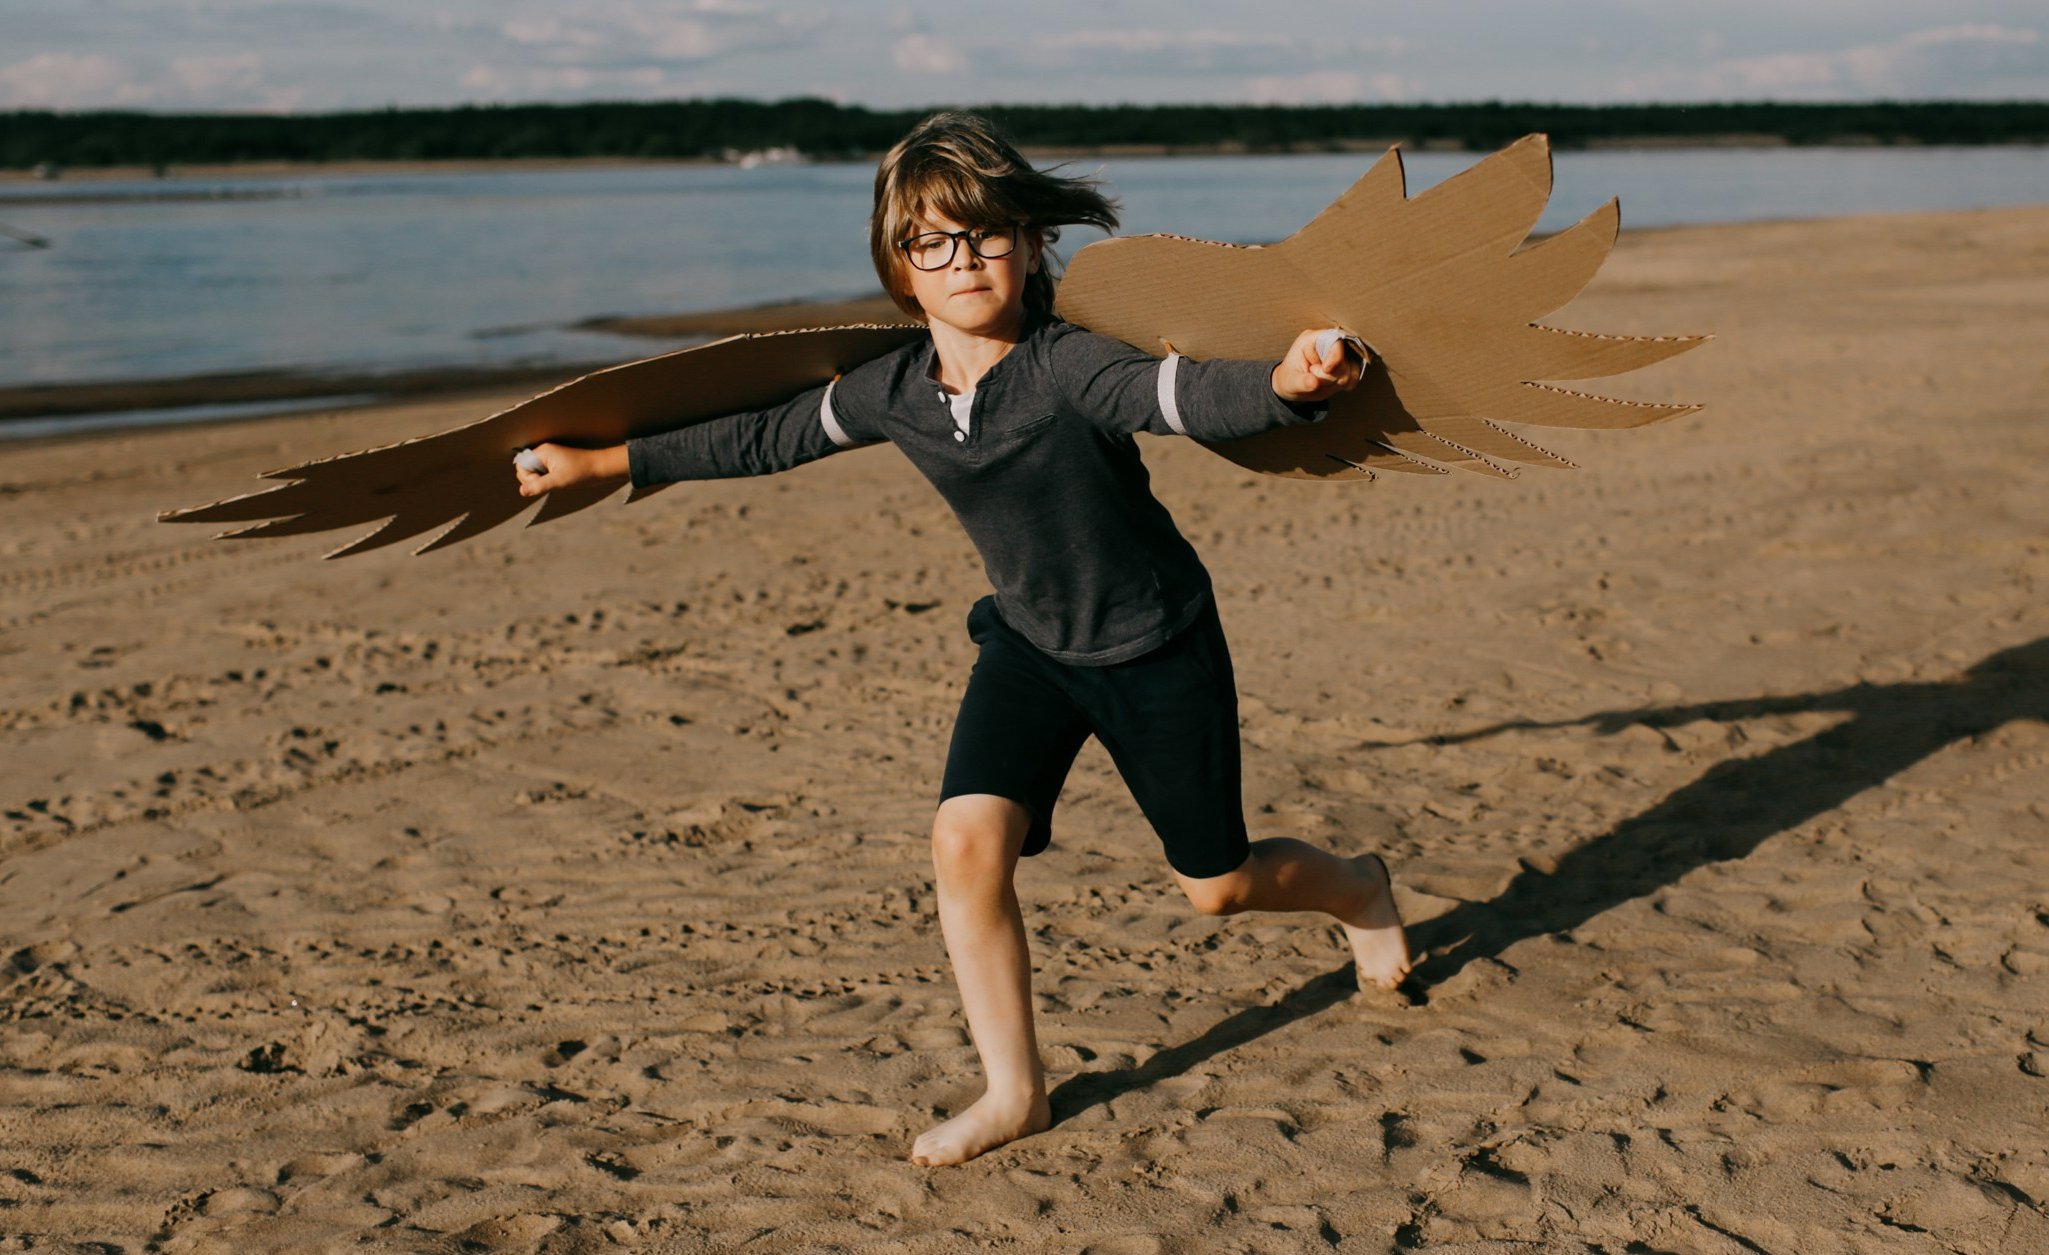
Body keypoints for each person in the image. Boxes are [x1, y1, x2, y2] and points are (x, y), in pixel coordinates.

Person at [514, 111, 1411, 1167]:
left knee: (1215, 889)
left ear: (1031, 246)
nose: (963, 259)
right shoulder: (895, 392)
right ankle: (1013, 1090)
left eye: (987, 233)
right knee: (963, 844)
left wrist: (1286, 384)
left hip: (1152, 644)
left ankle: (1357, 889)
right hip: (1030, 647)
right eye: (931, 241)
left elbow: (1174, 396)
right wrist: (604, 464)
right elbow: (765, 437)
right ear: (900, 269)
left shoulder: (1069, 366)